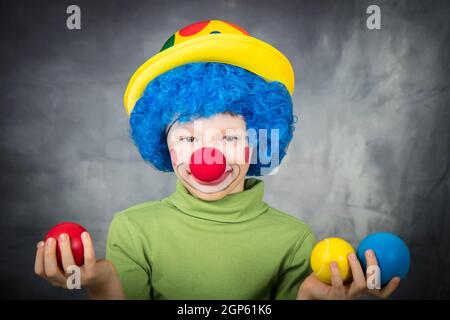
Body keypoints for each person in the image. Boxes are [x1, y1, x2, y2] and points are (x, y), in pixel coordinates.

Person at [34, 20, 400, 300]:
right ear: (164, 143)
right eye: (188, 137)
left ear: (257, 142)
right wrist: (101, 282)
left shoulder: (294, 239)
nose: (206, 157)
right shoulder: (133, 230)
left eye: (229, 138)